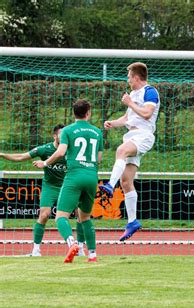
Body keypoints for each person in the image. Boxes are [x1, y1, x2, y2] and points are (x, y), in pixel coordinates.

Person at [0, 125, 87, 257]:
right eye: (61, 135)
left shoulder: (73, 150)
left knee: (81, 215)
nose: (64, 137)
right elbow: (21, 157)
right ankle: (35, 250)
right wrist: (2, 154)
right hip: (50, 187)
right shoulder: (45, 149)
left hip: (68, 187)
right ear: (55, 136)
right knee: (44, 215)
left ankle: (80, 248)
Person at [34, 99, 103, 263]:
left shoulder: (67, 130)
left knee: (60, 216)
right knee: (85, 217)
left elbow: (60, 152)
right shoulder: (97, 132)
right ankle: (92, 254)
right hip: (92, 176)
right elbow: (98, 158)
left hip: (74, 176)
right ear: (88, 113)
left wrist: (45, 163)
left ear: (74, 113)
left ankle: (71, 243)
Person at [99, 62, 160, 241]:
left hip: (144, 135)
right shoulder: (133, 94)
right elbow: (127, 118)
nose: (127, 81)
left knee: (121, 150)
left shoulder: (150, 91)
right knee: (126, 181)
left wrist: (130, 103)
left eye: (128, 77)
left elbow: (147, 113)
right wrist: (113, 123)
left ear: (135, 77)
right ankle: (132, 221)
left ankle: (110, 184)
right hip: (132, 135)